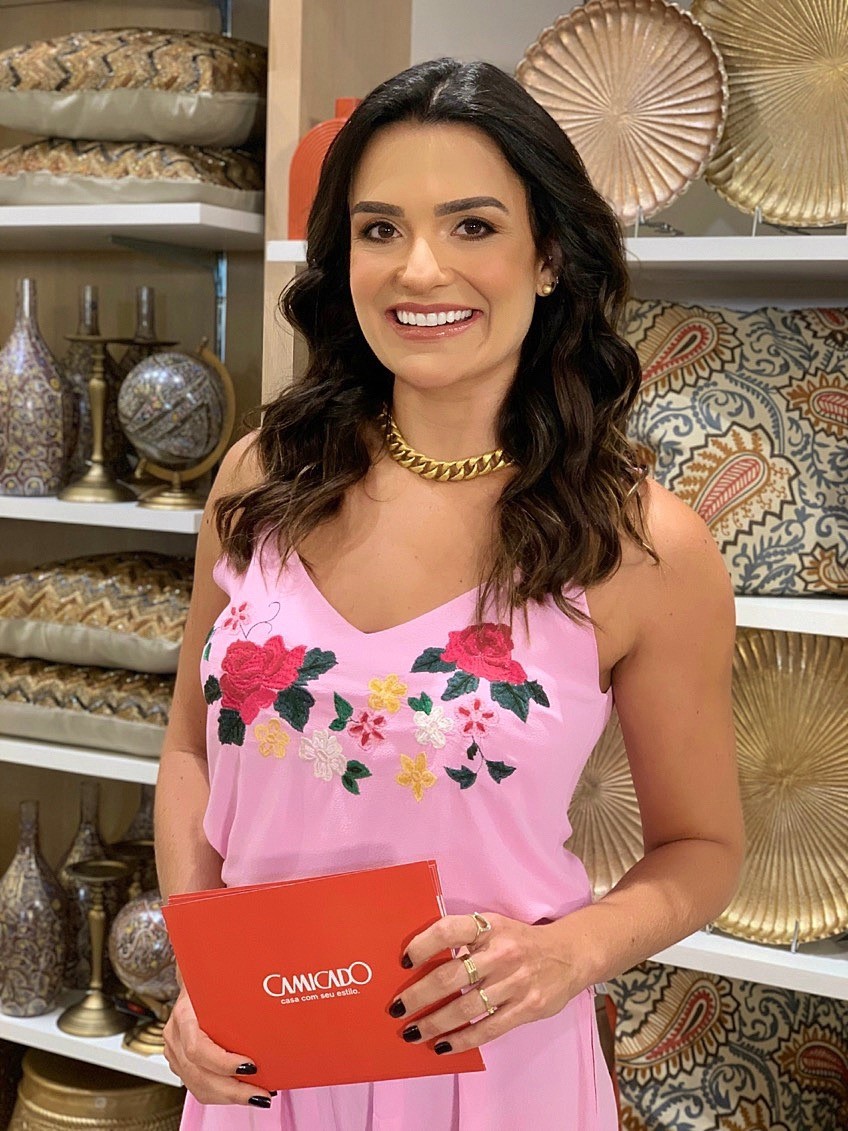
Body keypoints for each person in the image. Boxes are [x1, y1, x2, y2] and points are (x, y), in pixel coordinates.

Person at [156, 57, 744, 1131]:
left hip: (493, 1079)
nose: (419, 269)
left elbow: (702, 849)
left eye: (472, 225)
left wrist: (567, 954)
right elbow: (192, 749)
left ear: (549, 255)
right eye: (379, 229)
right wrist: (200, 966)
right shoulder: (260, 480)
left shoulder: (642, 546)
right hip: (264, 1070)